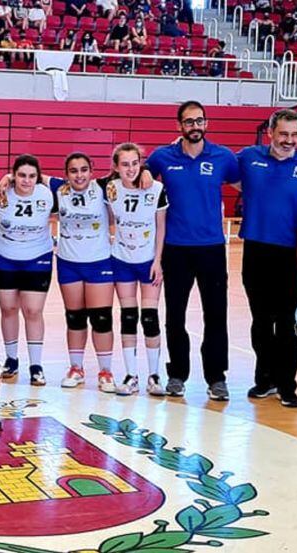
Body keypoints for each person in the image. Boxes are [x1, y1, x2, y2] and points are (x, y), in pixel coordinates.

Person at [146, 100, 240, 400]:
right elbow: (137, 175)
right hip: (176, 249)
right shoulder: (162, 157)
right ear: (179, 126)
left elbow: (249, 185)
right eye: (189, 122)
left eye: (199, 121)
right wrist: (145, 174)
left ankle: (216, 378)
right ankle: (177, 374)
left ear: (206, 123)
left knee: (216, 315)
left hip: (211, 248)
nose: (195, 126)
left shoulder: (223, 156)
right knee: (175, 315)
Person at [235, 109, 297, 408]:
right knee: (261, 321)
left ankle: (287, 385)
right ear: (271, 132)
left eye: (294, 135)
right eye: (283, 134)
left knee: (288, 323)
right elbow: (216, 166)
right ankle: (265, 379)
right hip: (256, 251)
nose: (289, 140)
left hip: (291, 255)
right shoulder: (248, 157)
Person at [106, 143, 168, 397]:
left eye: (135, 163)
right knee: (128, 317)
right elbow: (76, 179)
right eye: (125, 164)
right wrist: (10, 176)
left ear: (141, 163)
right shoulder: (109, 187)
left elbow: (161, 227)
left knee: (150, 319)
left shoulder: (156, 188)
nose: (130, 169)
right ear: (116, 167)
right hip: (122, 260)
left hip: (148, 261)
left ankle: (154, 376)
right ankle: (131, 375)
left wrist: (158, 261)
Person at [52, 154, 116, 392]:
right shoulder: (58, 190)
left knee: (101, 319)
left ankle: (106, 371)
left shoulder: (102, 187)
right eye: (73, 170)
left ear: (92, 171)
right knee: (75, 318)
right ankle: (76, 368)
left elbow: (132, 168)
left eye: (83, 170)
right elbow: (33, 175)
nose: (79, 175)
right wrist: (7, 177)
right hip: (69, 263)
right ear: (66, 173)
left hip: (99, 262)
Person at [0, 154, 54, 385]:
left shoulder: (48, 193)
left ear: (38, 177)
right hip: (3, 256)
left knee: (33, 311)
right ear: (13, 175)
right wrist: (5, 179)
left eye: (31, 176)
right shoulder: (0, 192)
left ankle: (36, 365)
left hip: (37, 257)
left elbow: (70, 185)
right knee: (8, 308)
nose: (26, 180)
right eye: (21, 175)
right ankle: (11, 359)